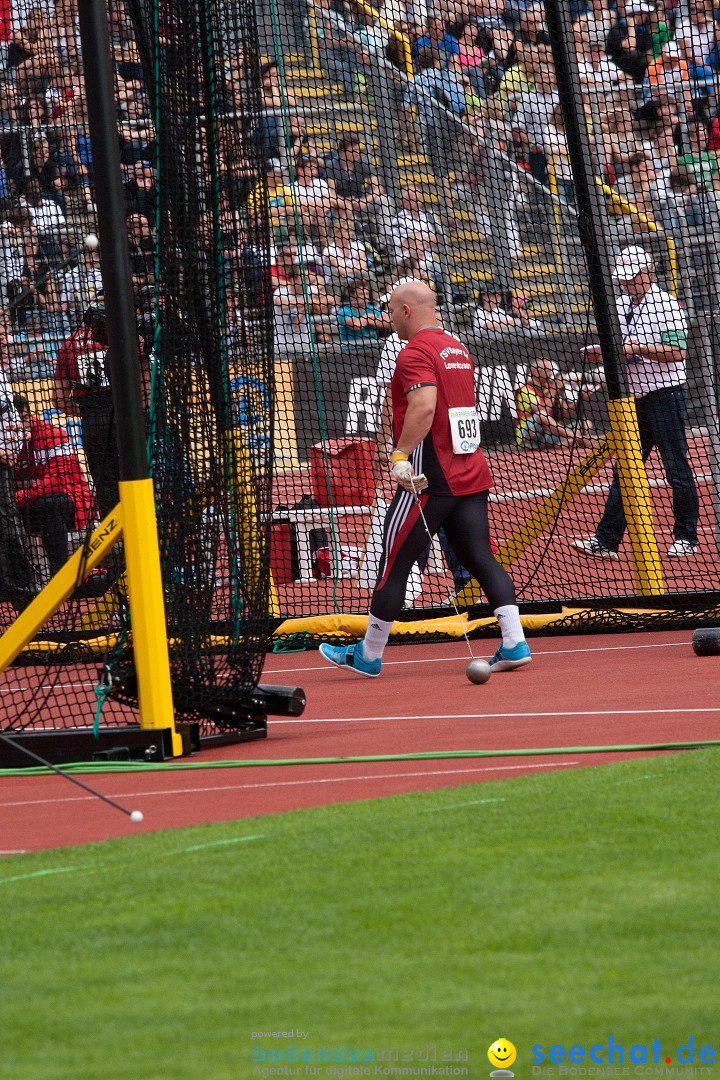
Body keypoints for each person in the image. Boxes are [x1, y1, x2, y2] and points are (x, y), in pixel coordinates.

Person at [319, 279, 531, 677]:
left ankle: (368, 653)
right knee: (480, 557)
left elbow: (424, 406)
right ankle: (514, 641)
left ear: (407, 311)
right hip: (470, 472)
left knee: (393, 562)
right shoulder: (457, 347)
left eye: (391, 311)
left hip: (429, 479)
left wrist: (398, 455)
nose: (389, 319)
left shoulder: (414, 351)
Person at [572, 245, 699, 560]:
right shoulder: (621, 304)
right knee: (626, 470)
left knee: (676, 468)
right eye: (625, 279)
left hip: (666, 396)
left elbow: (678, 352)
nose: (627, 284)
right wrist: (603, 351)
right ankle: (607, 540)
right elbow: (621, 346)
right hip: (634, 399)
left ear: (647, 273)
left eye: (632, 278)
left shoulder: (667, 305)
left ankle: (686, 536)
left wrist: (635, 348)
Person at [13, 393, 94, 577]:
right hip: (29, 502)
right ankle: (19, 579)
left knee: (47, 503)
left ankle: (60, 576)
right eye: (17, 420)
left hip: (72, 499)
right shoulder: (7, 442)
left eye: (25, 418)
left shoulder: (54, 434)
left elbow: (55, 482)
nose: (22, 425)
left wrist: (18, 495)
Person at [0, 319, 36, 610]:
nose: (7, 339)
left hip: (6, 466)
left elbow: (13, 420)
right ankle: (22, 595)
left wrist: (19, 441)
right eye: (1, 334)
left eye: (7, 333)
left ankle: (24, 600)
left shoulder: (3, 374)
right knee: (10, 531)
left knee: (11, 530)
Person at [515, 357, 596, 450]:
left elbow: (565, 412)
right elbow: (542, 411)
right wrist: (555, 388)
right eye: (548, 371)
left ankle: (564, 442)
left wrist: (580, 399)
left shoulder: (550, 387)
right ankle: (577, 439)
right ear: (536, 372)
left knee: (586, 423)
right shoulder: (526, 390)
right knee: (542, 415)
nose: (552, 374)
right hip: (529, 435)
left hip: (549, 434)